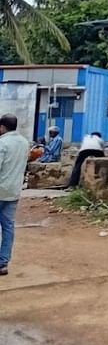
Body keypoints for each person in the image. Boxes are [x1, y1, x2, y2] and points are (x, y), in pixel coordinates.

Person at [0, 113, 31, 275]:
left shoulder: (2, 143)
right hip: (13, 191)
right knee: (8, 227)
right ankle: (3, 263)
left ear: (2, 127)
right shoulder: (24, 143)